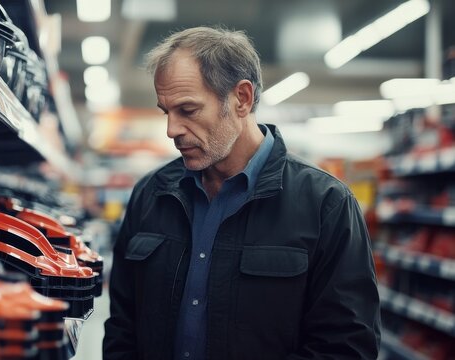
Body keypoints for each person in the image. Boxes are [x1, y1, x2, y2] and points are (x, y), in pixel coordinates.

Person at [102, 26, 381, 360]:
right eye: (167, 111)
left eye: (187, 110)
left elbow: (345, 346)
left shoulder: (326, 205)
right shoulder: (151, 194)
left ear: (242, 99)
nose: (171, 130)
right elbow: (123, 326)